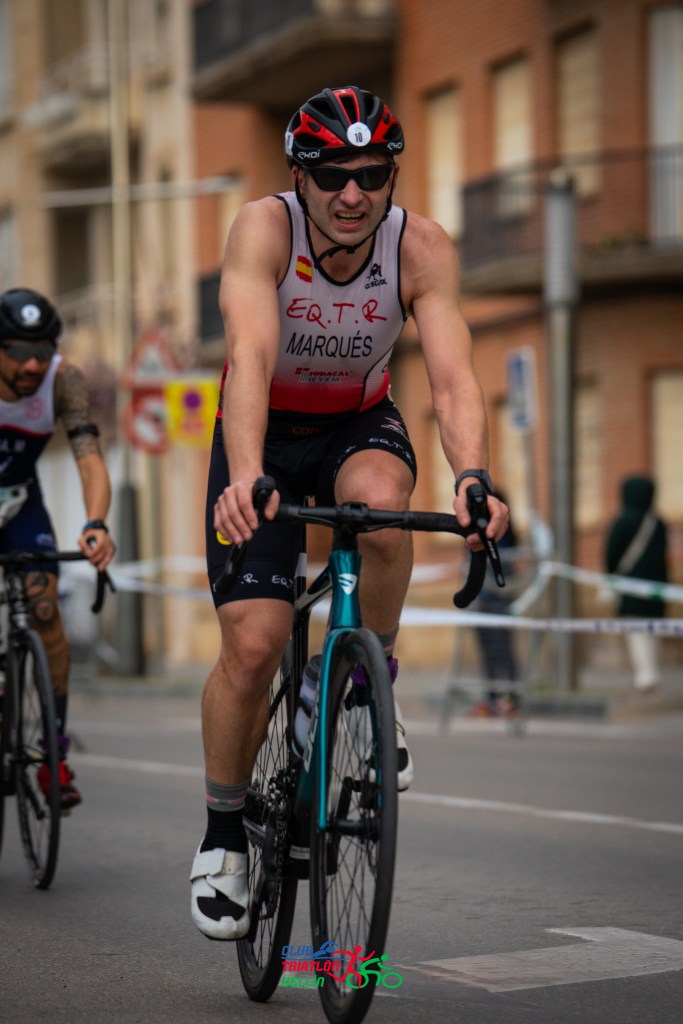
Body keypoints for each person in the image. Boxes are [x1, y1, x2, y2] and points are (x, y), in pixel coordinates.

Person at [191, 86, 509, 940]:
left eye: (370, 174)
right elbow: (250, 353)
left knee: (382, 507)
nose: (351, 193)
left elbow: (451, 378)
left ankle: (371, 682)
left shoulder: (419, 247)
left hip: (356, 424)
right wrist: (247, 475)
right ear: (299, 175)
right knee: (253, 647)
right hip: (262, 429)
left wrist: (472, 477)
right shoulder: (265, 230)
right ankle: (223, 832)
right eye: (331, 174)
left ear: (391, 176)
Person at [0, 287, 116, 810]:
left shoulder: (62, 380)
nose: (32, 365)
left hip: (20, 504)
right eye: (19, 352)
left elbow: (89, 460)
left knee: (45, 610)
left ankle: (53, 755)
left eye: (43, 351)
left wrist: (96, 524)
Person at [605, 474, 668, 693]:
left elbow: (612, 554)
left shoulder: (623, 521)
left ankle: (646, 677)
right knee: (653, 630)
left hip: (631, 588)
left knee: (637, 631)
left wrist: (611, 576)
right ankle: (651, 673)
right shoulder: (658, 523)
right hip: (658, 588)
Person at [471, 491, 521, 717]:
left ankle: (511, 698)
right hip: (483, 604)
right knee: (490, 653)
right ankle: (493, 697)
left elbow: (500, 572)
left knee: (503, 651)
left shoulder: (502, 537)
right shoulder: (477, 533)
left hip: (495, 604)